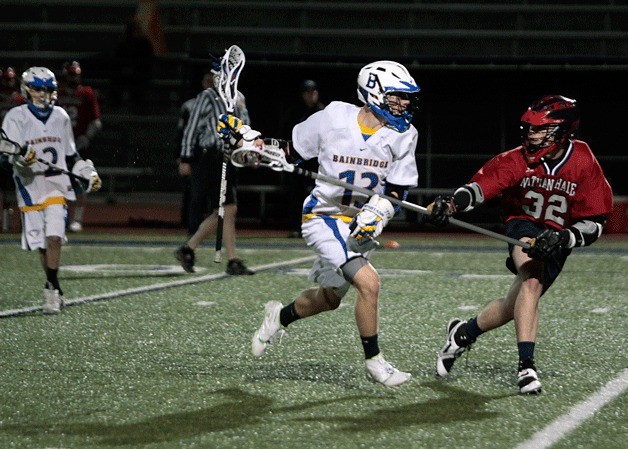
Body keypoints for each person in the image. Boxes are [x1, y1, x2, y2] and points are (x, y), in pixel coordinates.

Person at [225, 60, 421, 386]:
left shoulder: (404, 135)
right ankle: (375, 362)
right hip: (324, 217)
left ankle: (279, 316)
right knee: (369, 284)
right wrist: (250, 144)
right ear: (374, 92)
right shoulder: (333, 117)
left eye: (406, 97)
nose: (403, 104)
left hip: (360, 226)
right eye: (397, 96)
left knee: (328, 300)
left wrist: (380, 211)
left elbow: (397, 190)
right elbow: (289, 154)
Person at [429, 95, 613, 394]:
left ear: (563, 131)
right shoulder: (517, 159)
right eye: (530, 128)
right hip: (523, 226)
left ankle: (462, 333)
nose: (532, 135)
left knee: (512, 306)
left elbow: (595, 222)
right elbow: (479, 189)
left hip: (557, 236)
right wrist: (450, 205)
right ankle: (526, 367)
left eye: (541, 130)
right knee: (532, 281)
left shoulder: (581, 160)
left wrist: (563, 238)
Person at [0, 67, 101, 314]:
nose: (43, 94)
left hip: (56, 185)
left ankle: (51, 289)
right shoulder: (16, 116)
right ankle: (55, 285)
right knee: (43, 244)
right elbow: (4, 150)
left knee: (55, 237)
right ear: (27, 90)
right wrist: (20, 153)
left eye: (47, 89)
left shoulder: (61, 116)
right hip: (30, 185)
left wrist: (87, 172)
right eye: (38, 89)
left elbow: (70, 154)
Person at [174, 51, 254, 276]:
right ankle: (230, 259)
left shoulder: (239, 97)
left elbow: (244, 128)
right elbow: (191, 129)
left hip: (228, 158)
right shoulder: (207, 97)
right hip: (210, 157)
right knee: (226, 209)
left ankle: (190, 249)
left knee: (226, 210)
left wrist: (249, 150)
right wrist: (187, 157)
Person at [56, 60, 103, 232]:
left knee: (82, 181)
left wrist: (85, 137)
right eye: (71, 75)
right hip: (60, 145)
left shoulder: (87, 93)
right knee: (60, 181)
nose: (74, 78)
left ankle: (77, 219)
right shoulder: (58, 93)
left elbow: (96, 121)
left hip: (79, 145)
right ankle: (63, 216)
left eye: (76, 75)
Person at [278, 79, 325, 238]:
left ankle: (319, 228)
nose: (311, 96)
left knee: (321, 195)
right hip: (299, 161)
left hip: (317, 162)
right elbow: (286, 134)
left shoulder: (323, 113)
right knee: (296, 195)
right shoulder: (295, 112)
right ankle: (296, 227)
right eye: (307, 93)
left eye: (313, 92)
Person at [174, 66, 216, 230]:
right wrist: (183, 157)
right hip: (197, 154)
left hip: (217, 154)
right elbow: (184, 132)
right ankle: (193, 230)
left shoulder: (227, 103)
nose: (211, 84)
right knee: (195, 196)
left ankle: (212, 230)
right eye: (208, 81)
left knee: (218, 199)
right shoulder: (191, 105)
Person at [0, 66, 24, 232]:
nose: (9, 83)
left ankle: (25, 220)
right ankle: (4, 221)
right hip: (1, 147)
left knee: (22, 183)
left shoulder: (22, 99)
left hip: (18, 146)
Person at [110, 19, 154, 110]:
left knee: (139, 82)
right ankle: (115, 106)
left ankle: (138, 106)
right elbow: (117, 59)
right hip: (124, 72)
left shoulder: (144, 43)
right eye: (134, 30)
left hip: (140, 72)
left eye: (137, 30)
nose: (136, 33)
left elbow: (148, 59)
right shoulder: (123, 43)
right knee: (116, 80)